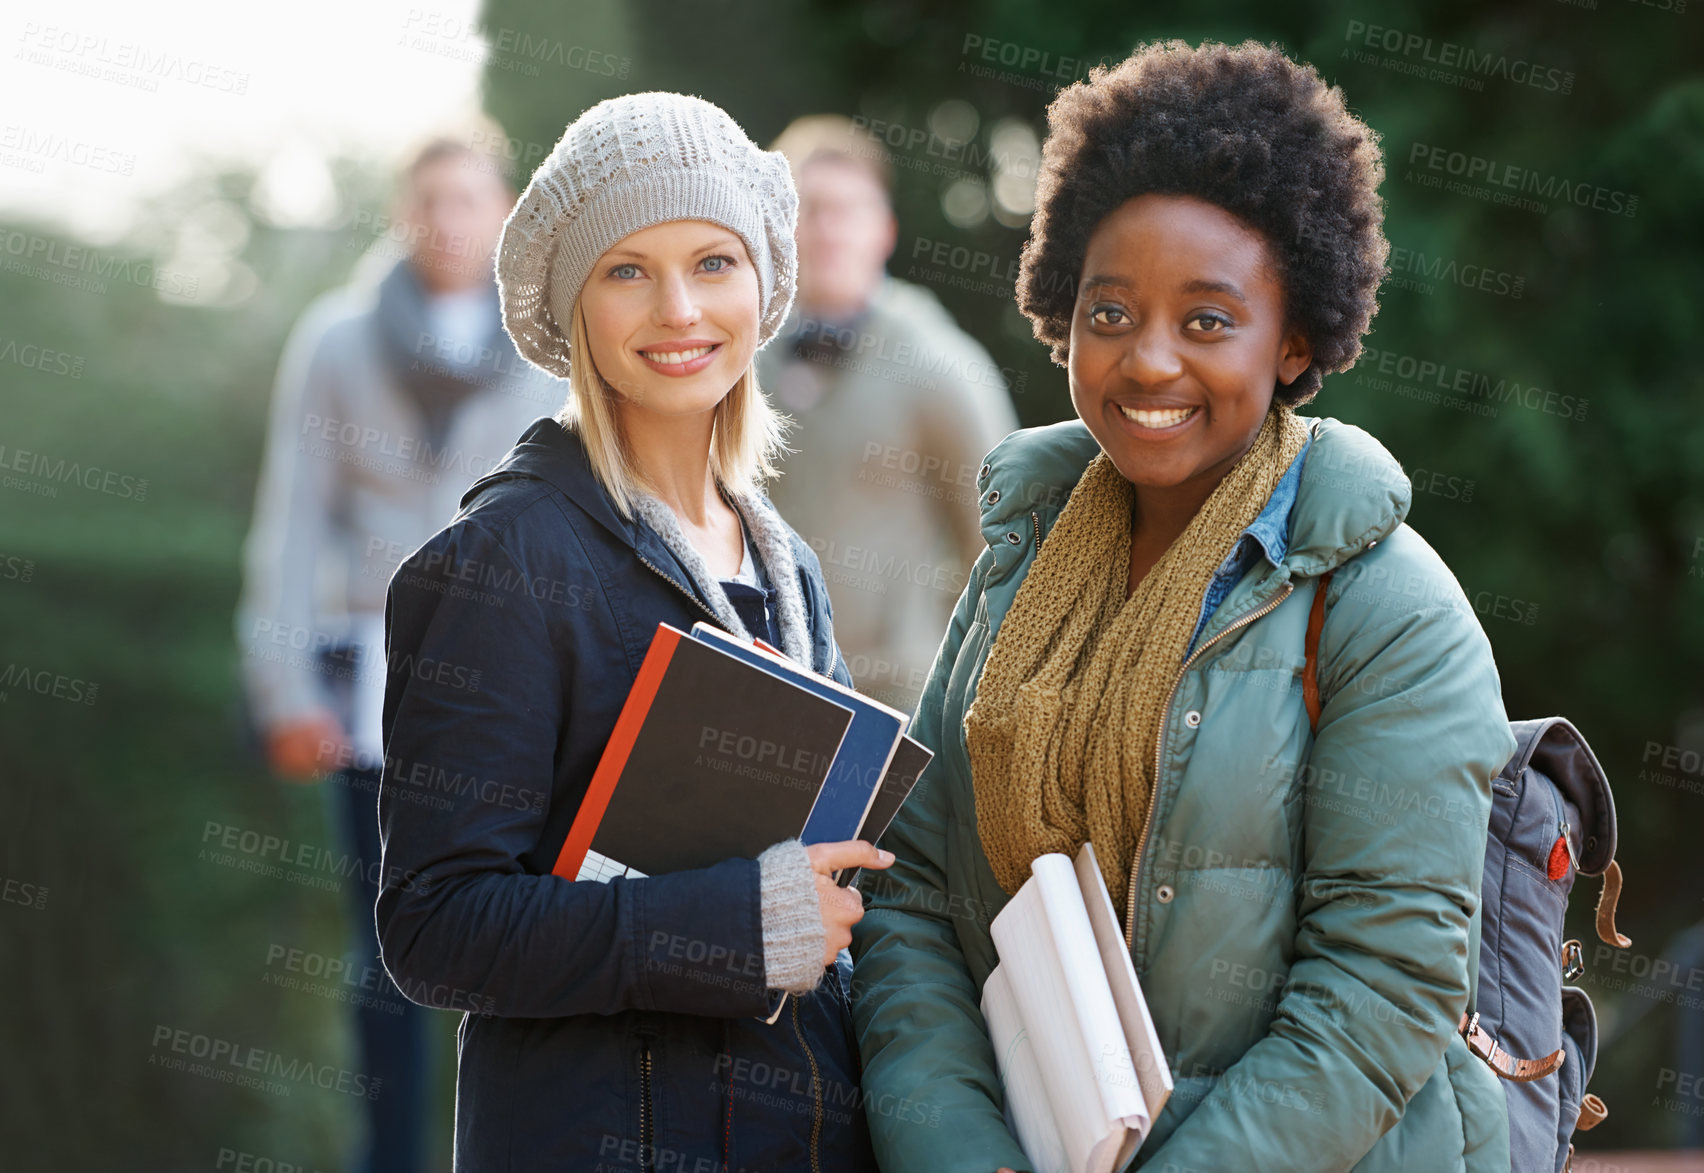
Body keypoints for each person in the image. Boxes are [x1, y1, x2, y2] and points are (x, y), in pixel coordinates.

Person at [850, 40, 1520, 1173]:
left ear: (1296, 337)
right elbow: (911, 895)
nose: (1147, 361)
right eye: (1110, 314)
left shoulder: (1389, 611)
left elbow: (1381, 993)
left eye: (1208, 321)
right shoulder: (1018, 562)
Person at [374, 92, 886, 1172]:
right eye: (627, 271)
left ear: (763, 283)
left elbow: (830, 893)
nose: (679, 310)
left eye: (712, 263)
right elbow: (438, 930)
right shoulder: (502, 565)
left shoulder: (787, 563)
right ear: (574, 306)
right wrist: (728, 929)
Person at [234, 124, 547, 1173]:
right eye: (429, 200)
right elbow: (291, 521)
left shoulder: (548, 346)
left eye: (468, 199)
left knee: (509, 933)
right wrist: (282, 688)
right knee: (384, 954)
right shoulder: (335, 339)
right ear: (401, 213)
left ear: (501, 210)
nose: (448, 220)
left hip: (507, 690)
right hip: (364, 689)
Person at [757, 115, 1017, 714]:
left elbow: (1003, 547)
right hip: (760, 686)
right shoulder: (735, 360)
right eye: (808, 208)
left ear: (886, 230)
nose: (827, 230)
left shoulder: (943, 366)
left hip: (897, 705)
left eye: (848, 210)